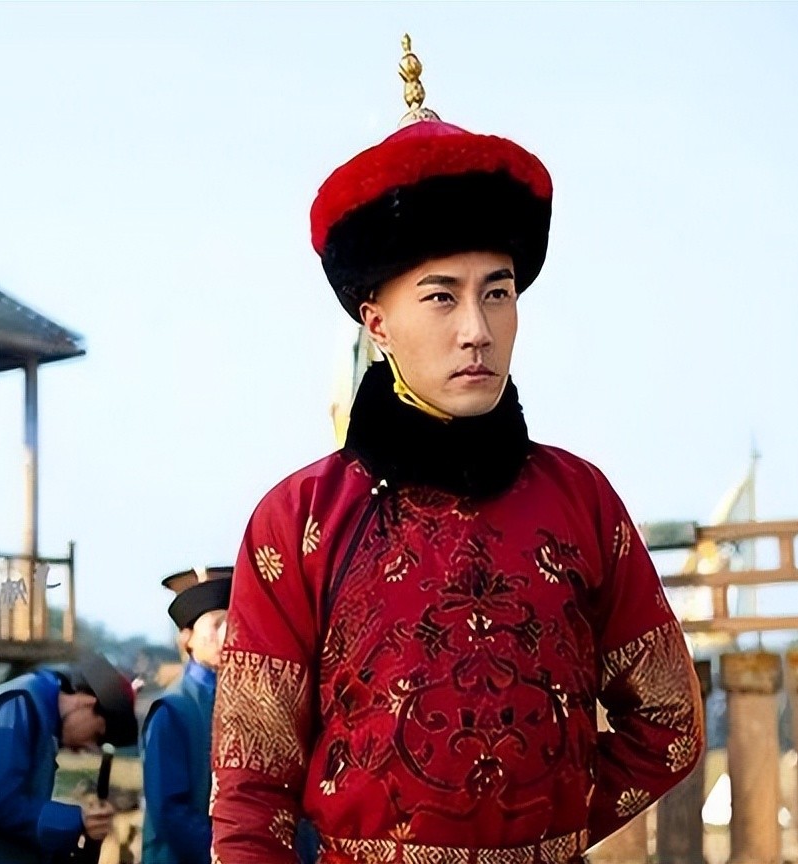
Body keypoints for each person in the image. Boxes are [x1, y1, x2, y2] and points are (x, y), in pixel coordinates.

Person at [211, 37, 705, 864]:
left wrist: (545, 829)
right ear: (377, 323)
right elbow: (251, 786)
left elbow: (671, 722)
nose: (477, 329)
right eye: (441, 297)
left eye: (497, 294)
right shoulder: (298, 520)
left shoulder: (581, 500)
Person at [0, 651, 138, 864]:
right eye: (96, 735)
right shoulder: (18, 705)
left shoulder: (37, 717)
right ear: (87, 702)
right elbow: (0, 804)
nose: (88, 747)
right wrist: (76, 820)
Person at [140, 567, 231, 864]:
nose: (227, 635)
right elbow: (169, 811)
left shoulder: (246, 700)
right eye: (216, 625)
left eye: (234, 624)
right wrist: (225, 853)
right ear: (187, 638)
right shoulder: (172, 709)